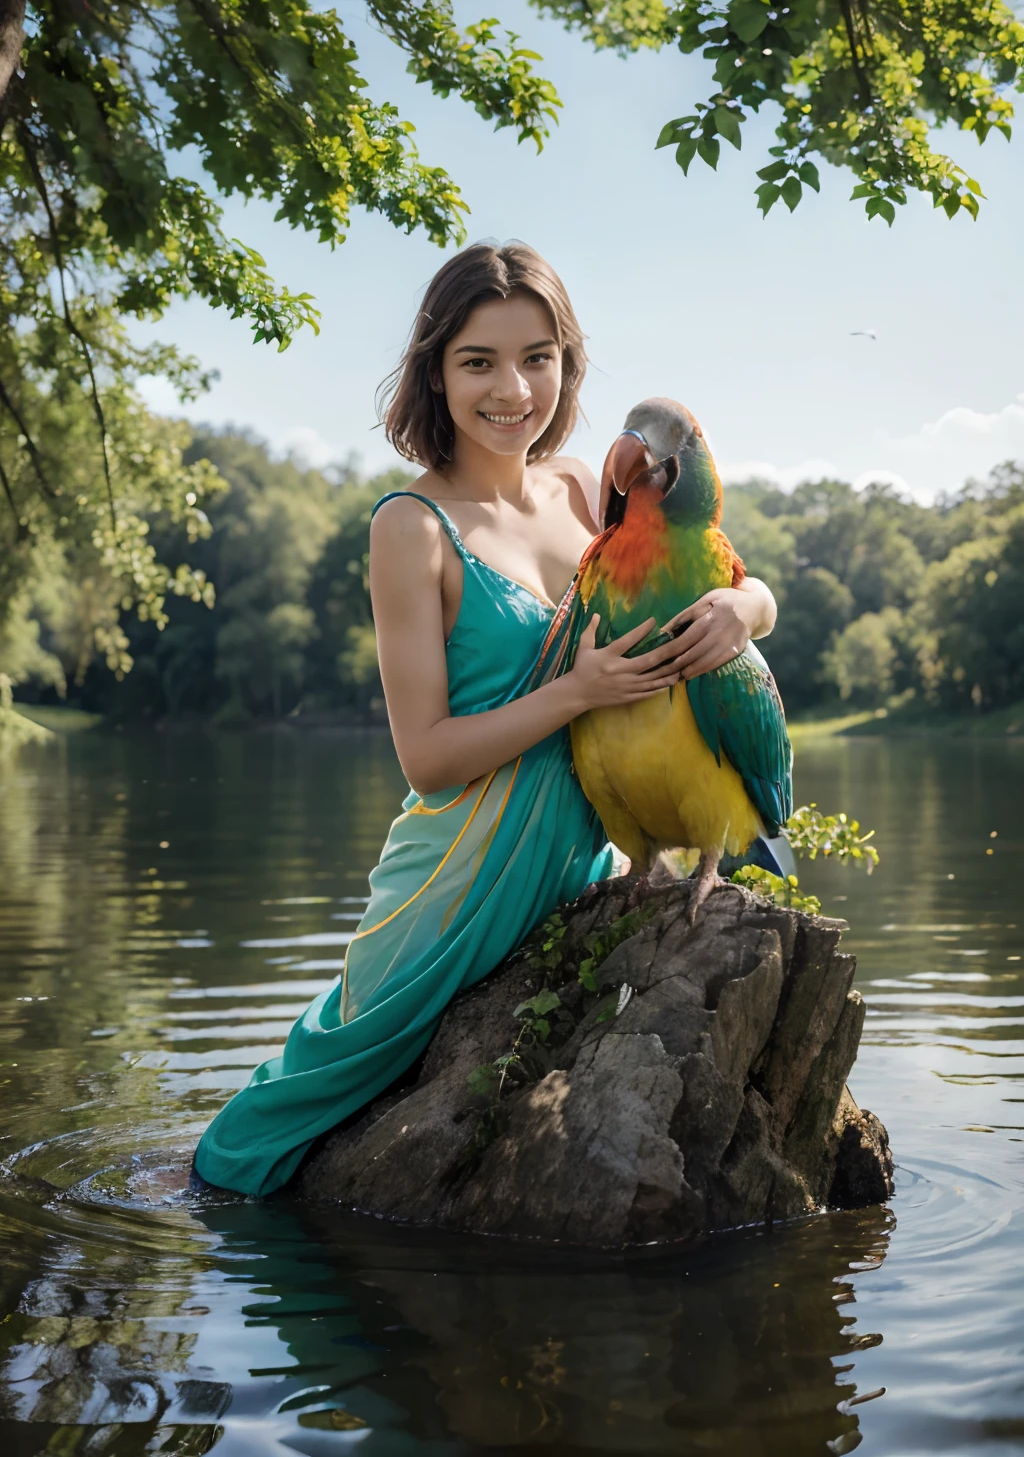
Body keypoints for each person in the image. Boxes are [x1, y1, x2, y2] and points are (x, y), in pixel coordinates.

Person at [193, 241, 777, 1196]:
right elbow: (426, 760)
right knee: (294, 1109)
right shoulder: (411, 527)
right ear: (436, 371)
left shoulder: (591, 492)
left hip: (591, 859)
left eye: (537, 357)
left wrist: (740, 613)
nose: (513, 388)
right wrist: (575, 694)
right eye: (479, 361)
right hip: (456, 882)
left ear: (567, 364)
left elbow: (740, 588)